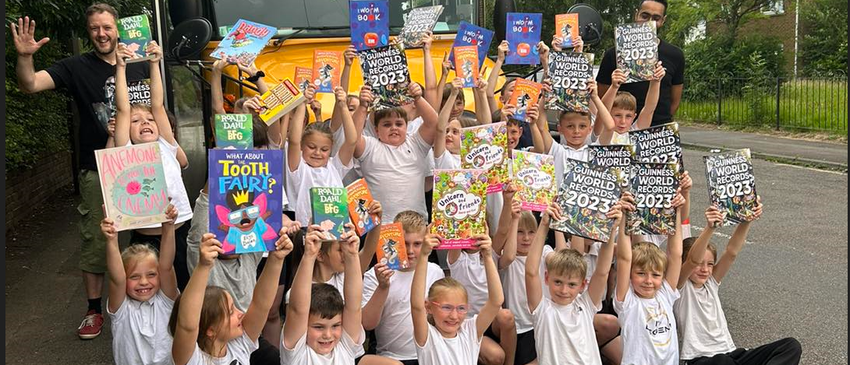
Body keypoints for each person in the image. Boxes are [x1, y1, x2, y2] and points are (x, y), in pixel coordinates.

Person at [10, 3, 150, 339]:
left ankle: (149, 302)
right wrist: (26, 56)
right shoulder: (76, 66)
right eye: (94, 29)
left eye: (107, 27)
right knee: (97, 240)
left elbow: (157, 110)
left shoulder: (141, 62)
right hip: (97, 167)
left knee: (147, 235)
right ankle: (93, 309)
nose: (101, 34)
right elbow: (29, 84)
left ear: (119, 29)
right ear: (88, 32)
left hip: (142, 165)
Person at [675, 204, 802, 365]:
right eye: (700, 264)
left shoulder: (711, 284)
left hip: (731, 353)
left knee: (790, 346)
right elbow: (693, 259)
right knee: (722, 362)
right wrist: (710, 228)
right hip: (701, 359)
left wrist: (747, 219)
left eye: (710, 264)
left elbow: (731, 252)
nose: (705, 270)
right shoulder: (679, 288)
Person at [114, 40, 193, 290]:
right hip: (145, 239)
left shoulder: (166, 145)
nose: (145, 122)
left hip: (179, 230)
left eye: (149, 119)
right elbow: (123, 108)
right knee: (147, 289)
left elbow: (158, 104)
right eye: (136, 121)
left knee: (182, 286)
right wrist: (121, 66)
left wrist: (155, 63)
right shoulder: (126, 150)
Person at [170, 229, 293, 365]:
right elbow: (187, 325)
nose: (240, 313)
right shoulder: (192, 359)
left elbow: (260, 304)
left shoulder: (239, 345)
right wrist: (203, 266)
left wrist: (276, 259)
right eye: (230, 312)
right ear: (210, 330)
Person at [525, 199, 624, 365]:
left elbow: (602, 271)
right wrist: (544, 224)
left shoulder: (585, 305)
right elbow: (530, 272)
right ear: (547, 278)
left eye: (571, 284)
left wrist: (612, 229)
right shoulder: (542, 310)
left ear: (582, 285)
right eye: (558, 282)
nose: (564, 290)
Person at [361, 211, 445, 365]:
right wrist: (382, 287)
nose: (410, 251)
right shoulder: (376, 274)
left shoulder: (435, 272)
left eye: (417, 244)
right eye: (405, 243)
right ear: (394, 239)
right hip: (390, 357)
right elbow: (367, 323)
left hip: (429, 355)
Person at [411, 230, 505, 365]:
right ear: (429, 307)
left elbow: (496, 301)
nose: (454, 316)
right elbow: (416, 306)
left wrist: (488, 256)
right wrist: (424, 255)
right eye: (446, 307)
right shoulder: (427, 337)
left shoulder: (470, 331)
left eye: (461, 308)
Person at [101, 204, 179, 365]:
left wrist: (168, 226)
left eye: (151, 274)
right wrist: (111, 239)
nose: (144, 282)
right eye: (134, 277)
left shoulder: (166, 302)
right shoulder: (121, 310)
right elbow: (117, 279)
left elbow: (166, 267)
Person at [614, 192, 684, 365]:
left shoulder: (665, 294)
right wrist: (624, 215)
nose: (648, 280)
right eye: (640, 273)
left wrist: (675, 211)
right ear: (630, 274)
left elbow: (675, 255)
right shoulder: (627, 301)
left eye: (655, 275)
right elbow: (624, 258)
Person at [353, 82, 438, 222]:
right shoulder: (370, 147)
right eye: (387, 124)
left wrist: (418, 98)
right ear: (376, 130)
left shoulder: (416, 144)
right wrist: (362, 107)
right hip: (379, 227)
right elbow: (352, 139)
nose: (394, 128)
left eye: (399, 124)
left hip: (415, 226)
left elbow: (434, 123)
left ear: (406, 126)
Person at [280, 224, 366, 364]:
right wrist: (310, 255)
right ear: (304, 326)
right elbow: (298, 310)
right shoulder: (297, 352)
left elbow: (354, 306)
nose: (328, 335)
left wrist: (352, 254)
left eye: (336, 326)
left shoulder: (345, 346)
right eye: (318, 327)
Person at [596, 0, 685, 127]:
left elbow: (675, 100)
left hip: (660, 129)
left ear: (663, 21)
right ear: (636, 14)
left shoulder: (675, 55)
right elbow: (601, 96)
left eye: (656, 18)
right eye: (645, 16)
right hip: (622, 129)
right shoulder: (613, 54)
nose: (649, 21)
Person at [286, 84, 357, 227]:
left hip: (336, 230)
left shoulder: (335, 166)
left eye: (324, 149)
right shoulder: (298, 167)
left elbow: (351, 141)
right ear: (302, 146)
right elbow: (293, 140)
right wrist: (302, 104)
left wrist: (343, 106)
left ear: (331, 149)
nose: (317, 153)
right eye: (311, 147)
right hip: (307, 229)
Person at [598, 62, 666, 145]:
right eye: (618, 115)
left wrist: (656, 81)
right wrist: (614, 86)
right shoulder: (602, 132)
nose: (623, 121)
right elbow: (602, 111)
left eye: (628, 116)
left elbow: (649, 109)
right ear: (608, 115)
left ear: (634, 116)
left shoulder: (635, 132)